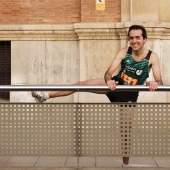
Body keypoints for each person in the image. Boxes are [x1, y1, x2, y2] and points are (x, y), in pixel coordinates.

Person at [32, 25, 163, 167]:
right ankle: (45, 96)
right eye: (131, 37)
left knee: (125, 131)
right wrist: (110, 81)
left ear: (145, 39)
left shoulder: (152, 57)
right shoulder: (124, 52)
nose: (134, 40)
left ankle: (125, 164)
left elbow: (160, 81)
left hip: (129, 95)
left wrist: (153, 84)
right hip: (115, 86)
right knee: (80, 85)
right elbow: (108, 73)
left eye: (138, 37)